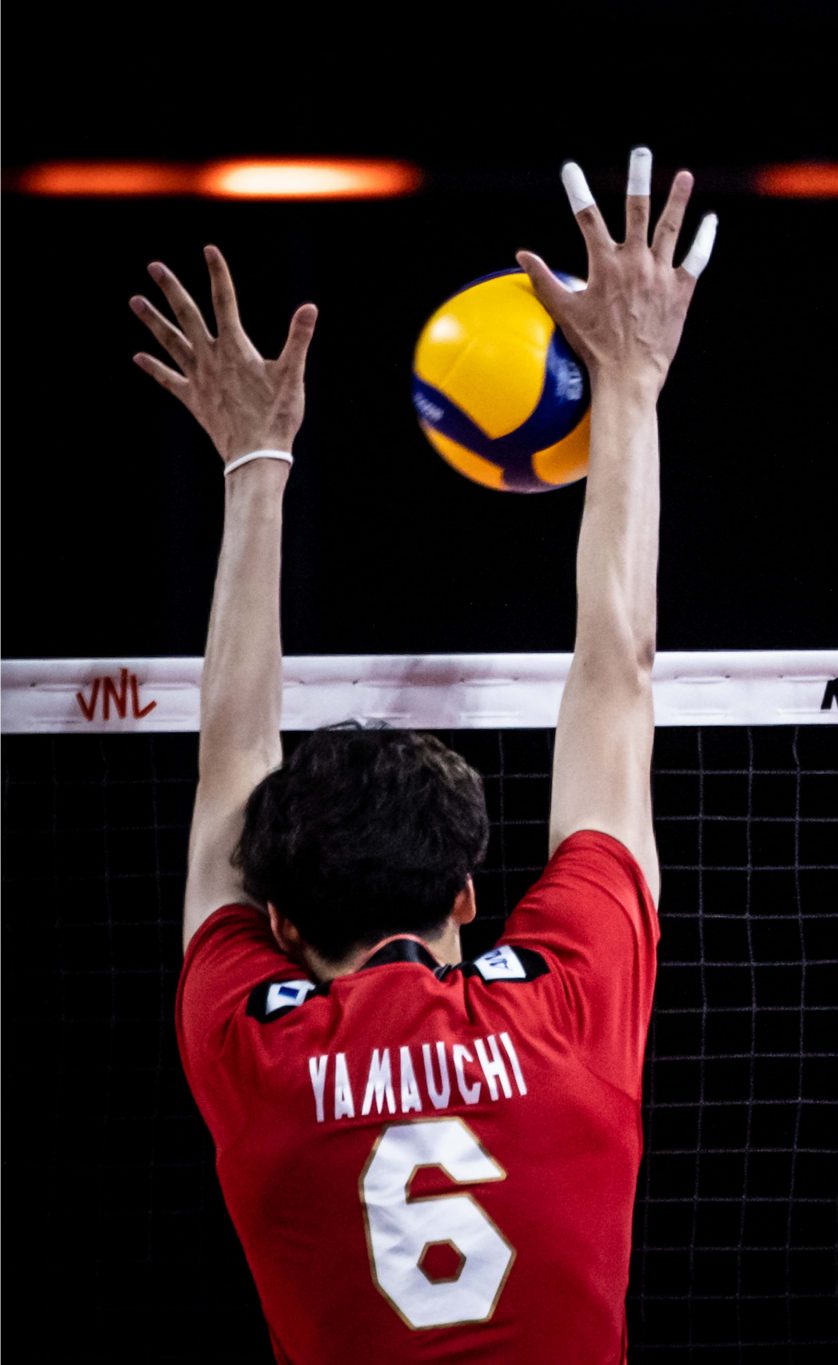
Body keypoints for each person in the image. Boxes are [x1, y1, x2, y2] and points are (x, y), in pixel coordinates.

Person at [146, 147, 715, 1361]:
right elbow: (621, 667)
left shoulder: (260, 1054)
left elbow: (226, 766)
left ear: (281, 926)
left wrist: (254, 466)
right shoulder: (562, 1014)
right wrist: (633, 381)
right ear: (466, 893)